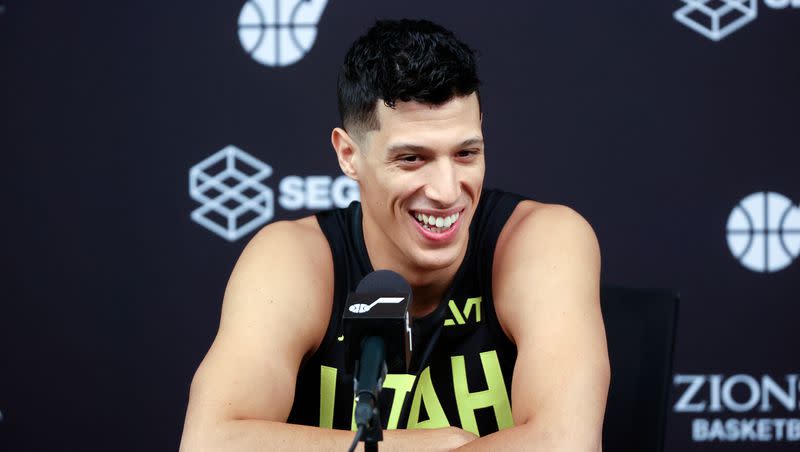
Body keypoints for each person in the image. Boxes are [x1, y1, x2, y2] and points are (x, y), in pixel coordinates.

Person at [180, 19, 609, 451]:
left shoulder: (540, 241)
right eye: (411, 159)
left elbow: (565, 444)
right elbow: (209, 443)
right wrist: (437, 445)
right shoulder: (296, 259)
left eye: (466, 153)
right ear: (349, 155)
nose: (446, 191)